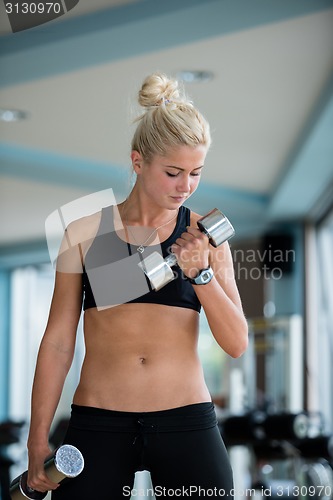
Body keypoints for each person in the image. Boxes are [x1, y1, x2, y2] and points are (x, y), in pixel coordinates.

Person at [26, 72, 248, 499]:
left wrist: (200, 273)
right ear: (138, 161)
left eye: (196, 173)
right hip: (99, 421)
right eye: (173, 172)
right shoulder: (86, 233)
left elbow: (237, 343)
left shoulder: (206, 236)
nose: (185, 186)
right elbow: (57, 342)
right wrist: (37, 440)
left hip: (186, 419)